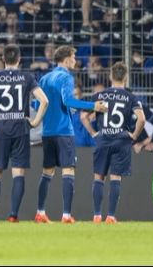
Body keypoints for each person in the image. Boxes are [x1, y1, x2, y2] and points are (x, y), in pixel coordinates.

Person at [0, 44, 49, 223]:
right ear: (19, 60)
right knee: (18, 172)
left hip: (1, 126)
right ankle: (13, 216)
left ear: (3, 60)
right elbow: (44, 100)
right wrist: (36, 121)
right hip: (21, 127)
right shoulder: (27, 77)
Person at [35, 45, 107, 224]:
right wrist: (93, 106)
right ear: (66, 59)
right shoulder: (66, 77)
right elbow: (67, 100)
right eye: (74, 57)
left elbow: (38, 106)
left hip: (47, 132)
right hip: (64, 131)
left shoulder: (44, 78)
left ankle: (40, 212)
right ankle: (66, 215)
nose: (76, 61)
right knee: (68, 170)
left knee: (47, 173)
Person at [80, 61, 145, 223]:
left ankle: (96, 215)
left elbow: (83, 116)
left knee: (98, 177)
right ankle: (110, 216)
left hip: (103, 139)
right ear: (126, 77)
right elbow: (142, 119)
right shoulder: (130, 97)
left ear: (110, 76)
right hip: (121, 140)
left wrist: (94, 134)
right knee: (115, 178)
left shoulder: (100, 96)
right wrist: (133, 136)